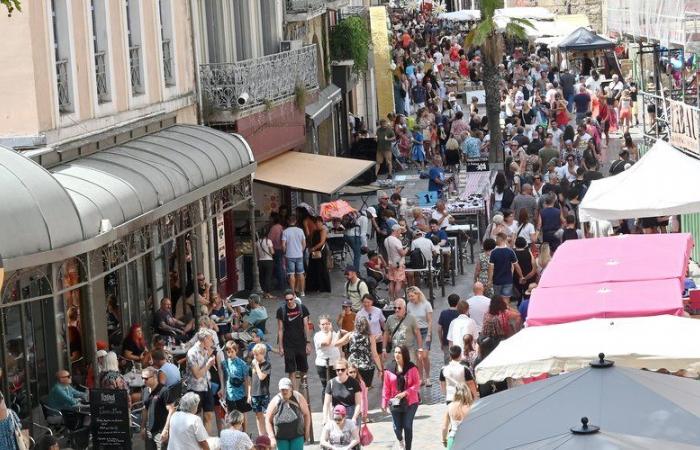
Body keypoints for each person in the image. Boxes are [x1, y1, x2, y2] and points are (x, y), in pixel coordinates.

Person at [382, 345, 421, 450]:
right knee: (397, 428)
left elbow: (417, 384)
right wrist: (384, 402)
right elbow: (386, 387)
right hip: (395, 402)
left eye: (399, 352)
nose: (397, 355)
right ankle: (400, 440)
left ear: (404, 354)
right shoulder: (389, 369)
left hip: (411, 402)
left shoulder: (412, 368)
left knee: (407, 426)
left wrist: (405, 393)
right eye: (395, 352)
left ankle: (408, 448)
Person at [335, 316, 383, 389]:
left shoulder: (351, 335)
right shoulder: (370, 337)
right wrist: (380, 369)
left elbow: (337, 344)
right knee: (364, 390)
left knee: (353, 389)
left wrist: (339, 333)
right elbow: (375, 355)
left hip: (352, 367)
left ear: (355, 325)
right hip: (367, 367)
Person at [184, 330, 217, 434]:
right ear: (205, 339)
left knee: (208, 416)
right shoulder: (192, 353)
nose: (212, 342)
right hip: (195, 389)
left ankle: (206, 442)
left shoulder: (206, 350)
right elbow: (197, 375)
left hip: (207, 386)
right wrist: (208, 364)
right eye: (211, 340)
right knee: (195, 419)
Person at [276, 290, 311, 385]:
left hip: (301, 343)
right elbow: (280, 329)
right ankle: (294, 394)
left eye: (291, 299)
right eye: (287, 300)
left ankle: (303, 390)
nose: (289, 302)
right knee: (291, 371)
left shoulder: (302, 308)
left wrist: (308, 343)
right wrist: (281, 347)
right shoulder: (281, 311)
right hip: (288, 344)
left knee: (303, 369)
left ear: (295, 297)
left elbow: (306, 326)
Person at [265, 378, 311, 450]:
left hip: (297, 435)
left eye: (286, 389)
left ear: (291, 388)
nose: (284, 391)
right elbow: (267, 420)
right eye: (282, 389)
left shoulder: (298, 397)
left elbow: (306, 414)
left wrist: (307, 431)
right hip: (281, 437)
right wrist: (272, 437)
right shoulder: (275, 400)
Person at [221, 340, 252, 432]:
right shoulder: (224, 363)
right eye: (228, 352)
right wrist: (223, 390)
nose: (230, 354)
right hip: (230, 394)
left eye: (232, 352)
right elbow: (224, 378)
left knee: (242, 414)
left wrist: (248, 394)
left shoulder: (242, 364)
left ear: (236, 351)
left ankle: (245, 432)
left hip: (241, 393)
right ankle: (233, 432)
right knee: (231, 414)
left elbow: (247, 380)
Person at [406, 286, 433, 386]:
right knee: (418, 357)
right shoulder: (409, 305)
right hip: (415, 332)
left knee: (425, 356)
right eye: (409, 297)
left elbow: (430, 321)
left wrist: (429, 334)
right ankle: (420, 377)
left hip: (425, 331)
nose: (411, 298)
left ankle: (428, 377)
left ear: (417, 294)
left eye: (412, 296)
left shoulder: (426, 304)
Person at [322, 358, 362, 426]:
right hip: (337, 414)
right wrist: (325, 418)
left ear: (346, 369)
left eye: (342, 369)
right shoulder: (331, 383)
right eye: (337, 370)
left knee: (354, 436)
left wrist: (354, 418)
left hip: (351, 413)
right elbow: (326, 404)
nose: (340, 372)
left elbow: (358, 404)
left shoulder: (354, 383)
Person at [383, 298, 423, 362]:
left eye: (399, 308)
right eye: (395, 308)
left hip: (409, 350)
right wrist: (384, 349)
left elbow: (418, 334)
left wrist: (420, 349)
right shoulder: (390, 319)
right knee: (397, 370)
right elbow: (386, 333)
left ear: (404, 308)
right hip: (395, 350)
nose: (396, 310)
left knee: (409, 370)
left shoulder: (411, 318)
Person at [488, 233, 524, 303]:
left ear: (500, 239)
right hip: (508, 281)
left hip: (497, 281)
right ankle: (505, 313)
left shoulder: (493, 253)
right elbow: (516, 266)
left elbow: (491, 268)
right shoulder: (510, 251)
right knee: (506, 301)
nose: (495, 240)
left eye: (496, 238)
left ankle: (499, 313)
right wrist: (521, 276)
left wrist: (489, 280)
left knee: (497, 301)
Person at [142, 367, 170, 450]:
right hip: (149, 430)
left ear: (154, 377)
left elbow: (171, 411)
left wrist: (166, 430)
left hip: (160, 432)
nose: (143, 381)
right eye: (142, 378)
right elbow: (145, 409)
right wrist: (142, 427)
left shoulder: (164, 391)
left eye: (146, 378)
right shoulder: (145, 390)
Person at [313, 315, 341, 396]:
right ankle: (326, 407)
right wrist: (331, 331)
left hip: (335, 363)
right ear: (319, 325)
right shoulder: (318, 335)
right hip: (323, 365)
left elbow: (338, 345)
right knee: (326, 387)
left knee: (336, 385)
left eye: (327, 324)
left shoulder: (334, 333)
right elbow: (327, 342)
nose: (325, 326)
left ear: (330, 324)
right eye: (323, 324)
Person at [441, 384, 473, 449]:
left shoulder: (450, 406)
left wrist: (444, 440)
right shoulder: (472, 408)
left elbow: (444, 427)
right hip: (469, 440)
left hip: (453, 438)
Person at [282, 215, 306, 297]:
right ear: (295, 221)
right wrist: (300, 251)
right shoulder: (300, 231)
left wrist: (285, 252)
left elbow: (283, 245)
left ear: (288, 221)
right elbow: (304, 244)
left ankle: (293, 293)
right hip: (299, 255)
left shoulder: (285, 232)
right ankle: (302, 292)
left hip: (289, 255)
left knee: (291, 274)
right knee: (301, 273)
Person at [306, 216, 331, 293]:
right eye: (315, 223)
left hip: (320, 251)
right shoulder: (314, 231)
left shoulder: (323, 230)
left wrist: (314, 248)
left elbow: (322, 242)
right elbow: (310, 239)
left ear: (321, 222)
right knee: (313, 268)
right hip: (313, 251)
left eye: (317, 222)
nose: (316, 224)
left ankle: (322, 286)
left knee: (321, 268)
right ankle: (313, 286)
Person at [385, 224, 408, 300]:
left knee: (391, 281)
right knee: (399, 281)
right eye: (400, 231)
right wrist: (407, 249)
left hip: (390, 263)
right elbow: (402, 253)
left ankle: (391, 298)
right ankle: (397, 298)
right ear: (396, 230)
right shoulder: (396, 241)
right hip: (398, 263)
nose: (400, 233)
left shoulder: (386, 239)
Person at [437, 294, 461, 364]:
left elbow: (439, 329)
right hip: (458, 341)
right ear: (458, 302)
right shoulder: (460, 314)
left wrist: (441, 342)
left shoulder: (443, 313)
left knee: (447, 361)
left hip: (446, 341)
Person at [255, 229, 275, 298]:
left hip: (261, 261)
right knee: (268, 277)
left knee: (262, 278)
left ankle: (264, 293)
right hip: (268, 261)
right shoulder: (268, 241)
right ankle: (268, 293)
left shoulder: (257, 242)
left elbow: (257, 254)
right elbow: (272, 252)